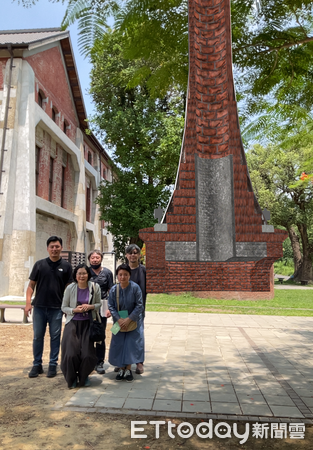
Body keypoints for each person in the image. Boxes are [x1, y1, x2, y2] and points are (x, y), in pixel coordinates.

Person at [26, 236, 73, 378]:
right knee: (38, 337)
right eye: (52, 246)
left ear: (61, 248)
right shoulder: (39, 265)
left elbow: (69, 288)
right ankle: (37, 364)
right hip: (39, 307)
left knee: (55, 337)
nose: (54, 249)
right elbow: (31, 286)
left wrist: (67, 307)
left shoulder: (66, 266)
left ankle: (53, 364)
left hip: (56, 308)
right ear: (47, 248)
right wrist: (28, 302)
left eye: (57, 246)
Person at [61, 263, 101, 388]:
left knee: (87, 354)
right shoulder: (70, 288)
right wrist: (74, 310)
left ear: (88, 274)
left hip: (88, 324)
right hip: (73, 323)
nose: (82, 276)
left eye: (84, 273)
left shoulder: (95, 287)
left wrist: (91, 307)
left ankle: (84, 376)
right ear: (76, 275)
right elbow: (64, 307)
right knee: (71, 353)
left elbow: (99, 304)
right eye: (79, 273)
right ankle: (71, 378)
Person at [108, 264, 144, 382]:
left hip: (133, 321)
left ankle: (128, 369)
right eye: (120, 275)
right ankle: (121, 367)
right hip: (118, 321)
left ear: (129, 275)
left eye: (125, 275)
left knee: (130, 344)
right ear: (117, 276)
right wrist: (118, 319)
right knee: (117, 343)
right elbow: (111, 306)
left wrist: (129, 319)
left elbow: (139, 305)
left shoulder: (135, 288)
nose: (122, 277)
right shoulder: (114, 289)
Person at [88, 249, 113, 374]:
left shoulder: (107, 273)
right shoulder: (86, 272)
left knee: (100, 333)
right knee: (87, 333)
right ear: (89, 259)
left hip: (102, 305)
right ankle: (89, 360)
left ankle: (99, 361)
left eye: (97, 257)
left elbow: (111, 290)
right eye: (93, 257)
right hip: (87, 305)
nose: (95, 259)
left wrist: (109, 307)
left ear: (101, 259)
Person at [125, 244, 146, 374]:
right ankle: (123, 361)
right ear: (126, 255)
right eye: (130, 253)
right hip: (123, 309)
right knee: (121, 334)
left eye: (135, 252)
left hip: (138, 309)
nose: (133, 255)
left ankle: (139, 362)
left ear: (139, 255)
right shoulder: (122, 269)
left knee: (138, 335)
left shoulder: (143, 271)